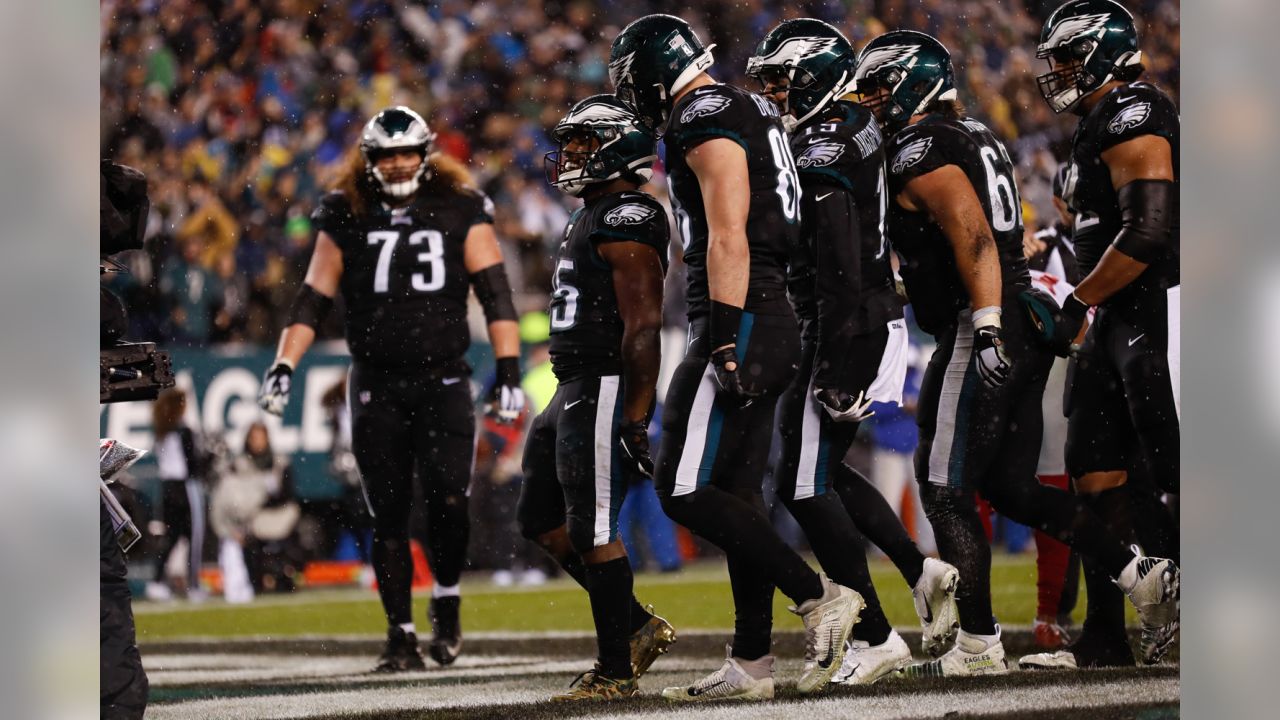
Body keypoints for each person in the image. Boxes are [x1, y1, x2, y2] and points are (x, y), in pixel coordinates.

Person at [851, 29, 1179, 677]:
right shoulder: (970, 132)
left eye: (881, 85)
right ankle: (1135, 572)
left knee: (945, 487)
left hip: (986, 322)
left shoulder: (922, 145)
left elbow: (972, 235)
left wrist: (990, 319)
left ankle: (978, 644)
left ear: (914, 83)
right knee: (1011, 487)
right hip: (1014, 315)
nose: (871, 98)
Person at [610, 15, 862, 700]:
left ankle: (818, 597)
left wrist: (722, 333)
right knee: (739, 494)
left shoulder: (708, 111)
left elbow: (728, 231)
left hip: (743, 309)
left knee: (680, 486)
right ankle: (752, 663)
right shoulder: (746, 104)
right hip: (766, 307)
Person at [258, 106, 525, 672]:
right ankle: (399, 635)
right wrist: (285, 363)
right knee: (389, 514)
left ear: (425, 153)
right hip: (377, 381)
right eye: (387, 154)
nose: (399, 164)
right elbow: (313, 296)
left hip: (445, 377)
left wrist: (507, 369)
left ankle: (447, 599)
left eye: (407, 152)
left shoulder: (460, 205)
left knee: (452, 500)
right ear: (370, 159)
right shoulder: (345, 210)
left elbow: (496, 292)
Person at [745, 18, 960, 684]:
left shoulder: (822, 144)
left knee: (799, 482)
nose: (775, 90)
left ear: (813, 72)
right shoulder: (850, 127)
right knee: (825, 472)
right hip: (863, 314)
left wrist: (838, 354)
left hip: (844, 320)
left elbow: (837, 255)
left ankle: (874, 634)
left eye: (782, 76)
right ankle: (918, 570)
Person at [1021, 0, 1181, 669]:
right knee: (1092, 473)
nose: (1056, 72)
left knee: (1174, 472)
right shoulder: (1091, 128)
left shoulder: (1136, 110)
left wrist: (1076, 303)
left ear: (1101, 53)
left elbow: (1148, 229)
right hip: (1114, 322)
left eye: (1066, 59)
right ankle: (1108, 635)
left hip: (1158, 310)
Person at [517, 94, 676, 701]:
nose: (571, 154)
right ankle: (632, 623)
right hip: (571, 383)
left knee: (593, 526)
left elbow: (642, 324)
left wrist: (637, 412)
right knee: (539, 516)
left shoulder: (628, 214)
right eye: (572, 143)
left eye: (584, 143)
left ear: (619, 147)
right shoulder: (589, 213)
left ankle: (614, 671)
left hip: (604, 380)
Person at [1025, 163, 1083, 651]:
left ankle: (1055, 612)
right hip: (1042, 376)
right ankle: (973, 618)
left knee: (1079, 493)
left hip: (1075, 377)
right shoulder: (1043, 247)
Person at [147, 387, 207, 601]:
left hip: (167, 489)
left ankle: (156, 581)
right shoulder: (183, 431)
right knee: (195, 536)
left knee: (172, 537)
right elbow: (192, 464)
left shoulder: (162, 429)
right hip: (184, 487)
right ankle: (194, 585)